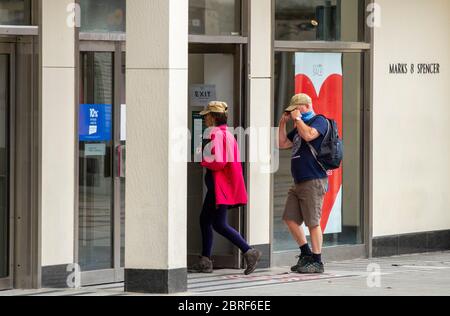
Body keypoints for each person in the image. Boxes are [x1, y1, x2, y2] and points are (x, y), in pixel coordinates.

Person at [189, 101, 262, 275]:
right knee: (205, 220)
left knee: (219, 224)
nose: (205, 118)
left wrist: (203, 159)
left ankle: (249, 251)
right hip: (223, 186)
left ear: (213, 117)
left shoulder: (216, 134)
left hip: (219, 187)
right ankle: (205, 260)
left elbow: (219, 162)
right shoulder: (227, 133)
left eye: (206, 115)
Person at [278, 94, 329, 274]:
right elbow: (282, 143)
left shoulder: (319, 121)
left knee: (313, 222)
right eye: (292, 110)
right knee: (290, 218)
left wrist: (298, 119)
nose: (294, 112)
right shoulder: (298, 126)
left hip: (313, 179)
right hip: (298, 181)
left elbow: (308, 136)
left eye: (296, 108)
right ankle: (306, 254)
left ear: (306, 106)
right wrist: (283, 123)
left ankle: (317, 260)